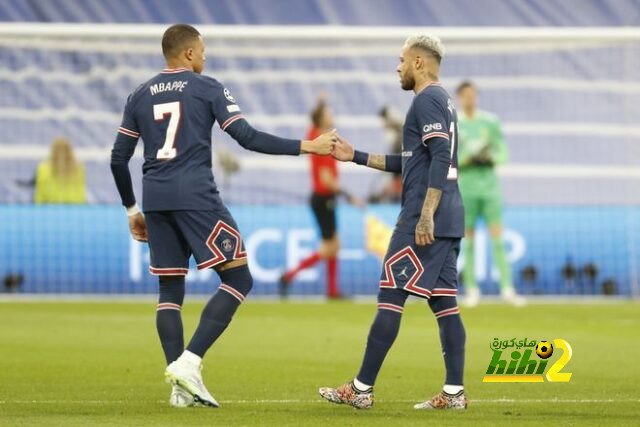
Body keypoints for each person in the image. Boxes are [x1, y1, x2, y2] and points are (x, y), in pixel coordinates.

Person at [110, 24, 335, 408]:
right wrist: (309, 146)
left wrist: (132, 209)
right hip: (196, 196)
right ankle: (191, 362)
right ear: (189, 54)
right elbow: (246, 136)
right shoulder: (208, 87)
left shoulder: (138, 94)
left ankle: (180, 388)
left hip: (155, 198)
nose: (205, 56)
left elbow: (118, 159)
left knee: (169, 292)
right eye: (203, 50)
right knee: (239, 276)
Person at [319, 34, 467, 410]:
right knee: (445, 303)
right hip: (450, 215)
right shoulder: (442, 100)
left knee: (391, 295)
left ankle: (361, 389)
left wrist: (426, 213)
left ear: (419, 62)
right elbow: (414, 160)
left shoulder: (428, 99)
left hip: (425, 217)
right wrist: (356, 157)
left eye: (401, 60)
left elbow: (441, 155)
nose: (397, 67)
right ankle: (454, 393)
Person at [279, 96, 362, 299]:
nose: (332, 116)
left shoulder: (314, 136)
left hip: (324, 199)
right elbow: (327, 180)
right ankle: (290, 276)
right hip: (324, 199)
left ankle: (332, 290)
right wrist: (349, 195)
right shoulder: (323, 143)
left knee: (334, 245)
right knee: (330, 247)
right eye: (328, 114)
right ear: (321, 119)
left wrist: (321, 103)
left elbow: (313, 123)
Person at [456, 81, 525, 307]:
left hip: (490, 188)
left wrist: (491, 158)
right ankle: (472, 290)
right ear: (459, 97)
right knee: (468, 241)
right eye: (465, 95)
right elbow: (450, 159)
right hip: (467, 188)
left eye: (473, 95)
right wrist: (468, 158)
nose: (469, 99)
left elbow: (503, 152)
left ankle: (507, 289)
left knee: (497, 239)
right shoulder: (455, 124)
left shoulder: (490, 122)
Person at [34, 137, 86, 204]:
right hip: (64, 208)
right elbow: (81, 197)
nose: (61, 155)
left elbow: (39, 197)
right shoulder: (79, 168)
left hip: (55, 208)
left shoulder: (43, 168)